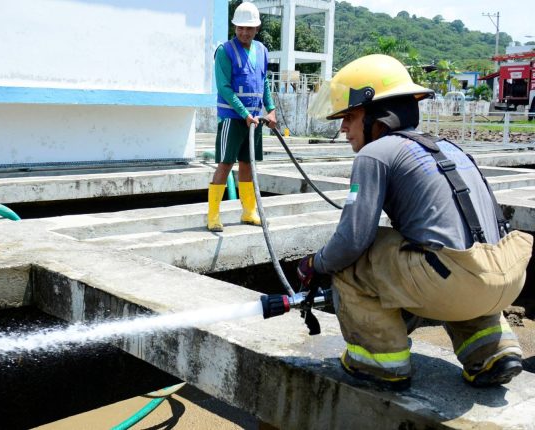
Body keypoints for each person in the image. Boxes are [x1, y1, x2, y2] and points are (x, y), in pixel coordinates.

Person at [298, 54, 533, 390]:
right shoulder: (448, 148)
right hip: (507, 277)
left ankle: (377, 360)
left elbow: (351, 240)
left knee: (354, 259)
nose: (343, 128)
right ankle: (492, 349)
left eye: (350, 116)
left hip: (454, 283)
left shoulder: (374, 154)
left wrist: (315, 264)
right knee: (452, 247)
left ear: (378, 117)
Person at [207, 1, 278, 232]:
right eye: (240, 28)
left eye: (249, 28)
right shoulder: (224, 51)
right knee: (225, 165)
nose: (244, 32)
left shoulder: (262, 50)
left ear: (257, 28)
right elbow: (224, 88)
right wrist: (245, 113)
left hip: (254, 120)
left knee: (248, 165)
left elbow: (264, 82)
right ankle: (213, 215)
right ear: (234, 27)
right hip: (232, 118)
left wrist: (271, 109)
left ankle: (248, 212)